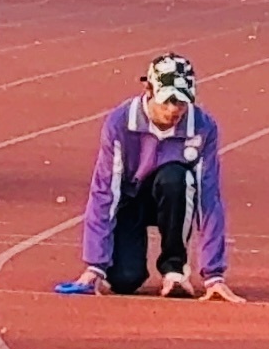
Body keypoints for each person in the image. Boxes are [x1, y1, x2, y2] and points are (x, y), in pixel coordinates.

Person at [63, 54, 239, 301]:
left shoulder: (202, 126)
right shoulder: (120, 123)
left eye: (181, 102)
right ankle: (121, 265)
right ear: (148, 90)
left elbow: (209, 198)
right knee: (125, 280)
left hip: (173, 195)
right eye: (167, 101)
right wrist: (95, 265)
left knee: (176, 178)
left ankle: (174, 270)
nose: (173, 110)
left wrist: (214, 275)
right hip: (130, 200)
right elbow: (105, 192)